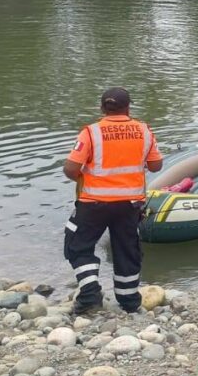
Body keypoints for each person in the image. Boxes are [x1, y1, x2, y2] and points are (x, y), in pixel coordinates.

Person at [62, 88, 163, 315]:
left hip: (93, 203)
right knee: (127, 250)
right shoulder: (144, 131)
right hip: (129, 204)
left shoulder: (90, 133)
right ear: (128, 107)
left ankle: (90, 294)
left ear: (102, 108)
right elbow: (156, 165)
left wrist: (82, 178)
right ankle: (129, 302)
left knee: (77, 245)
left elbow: (70, 168)